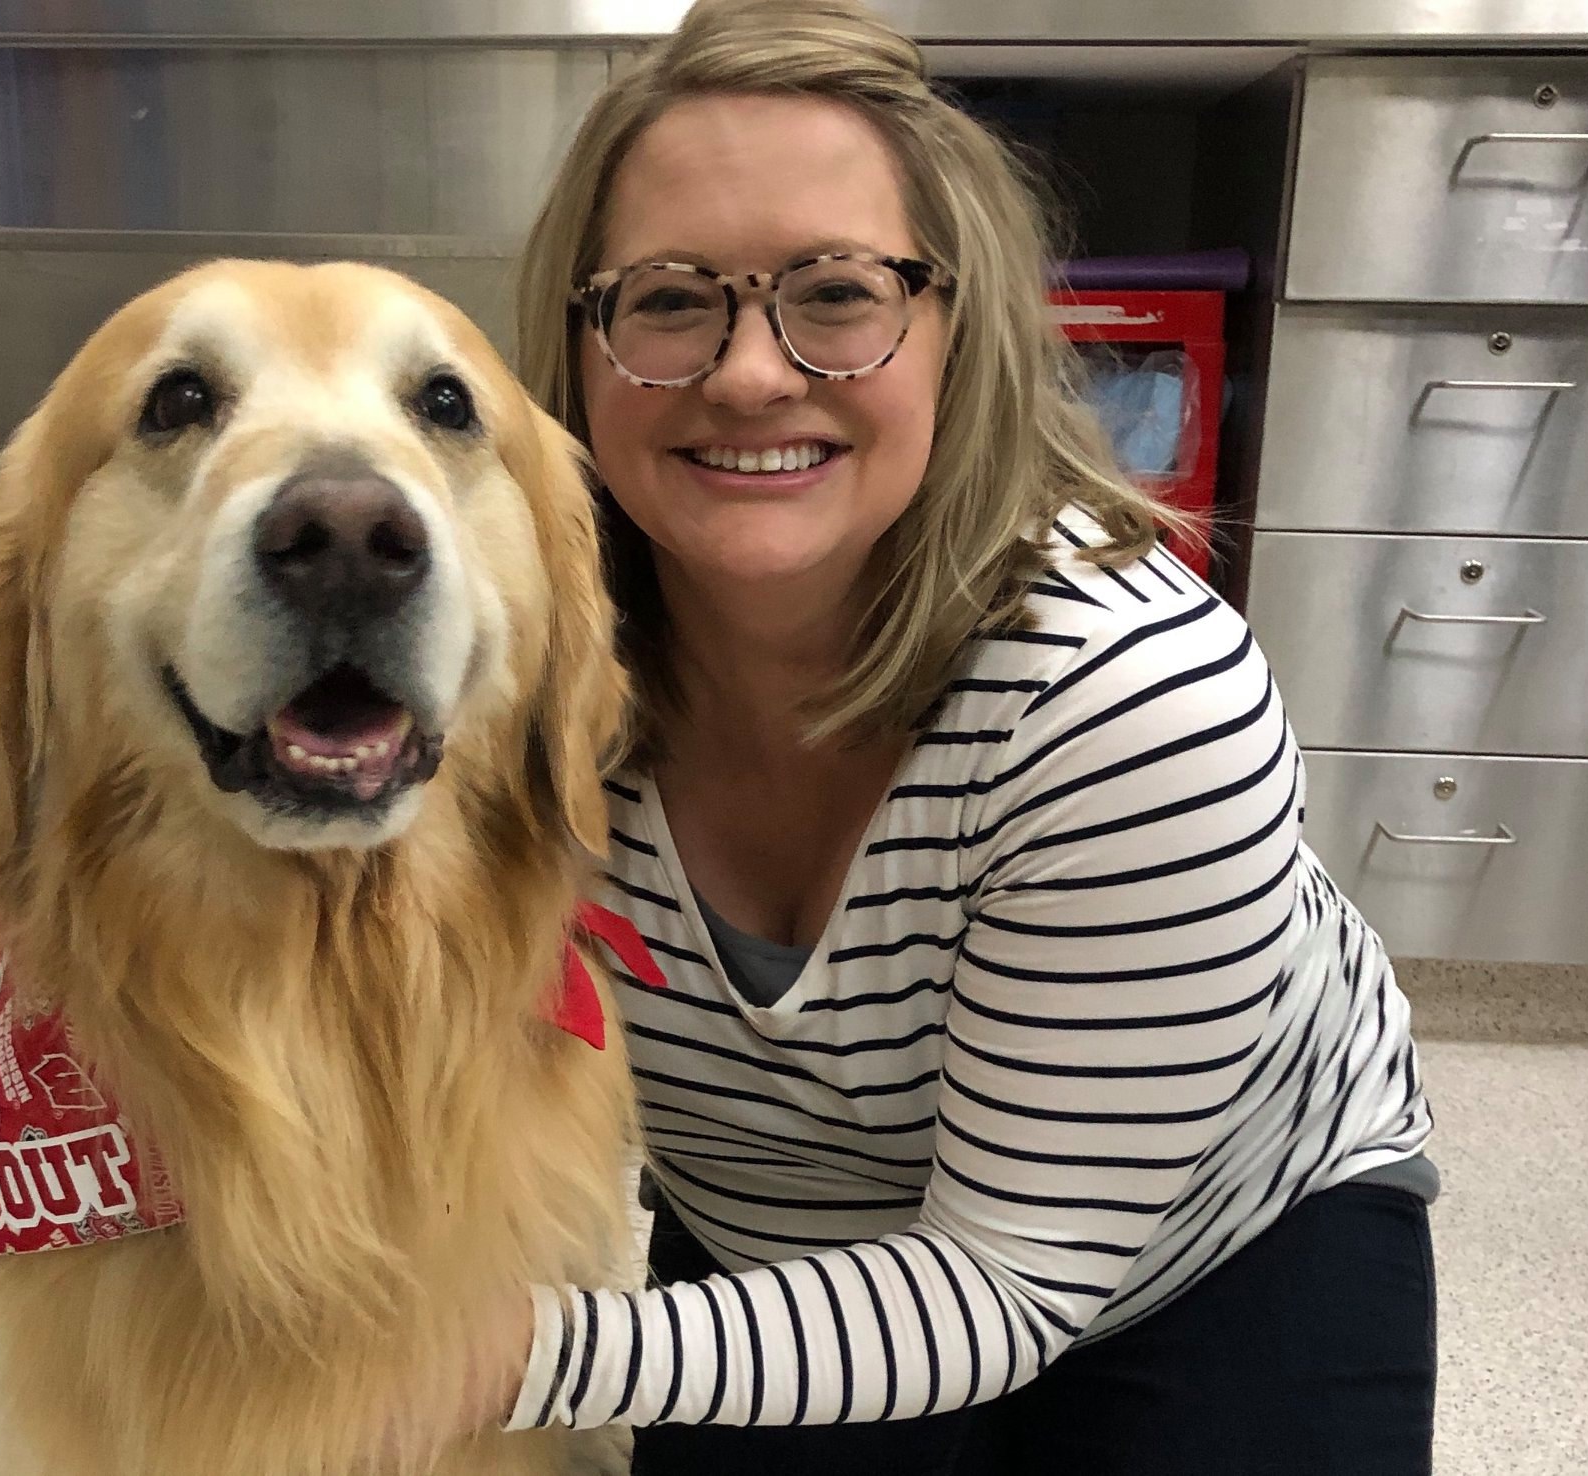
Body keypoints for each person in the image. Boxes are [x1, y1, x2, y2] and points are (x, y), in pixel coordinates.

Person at [483, 1, 1439, 1471]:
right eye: (671, 298)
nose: (749, 373)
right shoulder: (488, 666)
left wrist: (496, 1358)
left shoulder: (1128, 693)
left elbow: (1010, 1280)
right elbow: (35, 748)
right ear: (581, 339)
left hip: (1219, 1227)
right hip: (785, 1227)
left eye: (838, 293)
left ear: (956, 323)